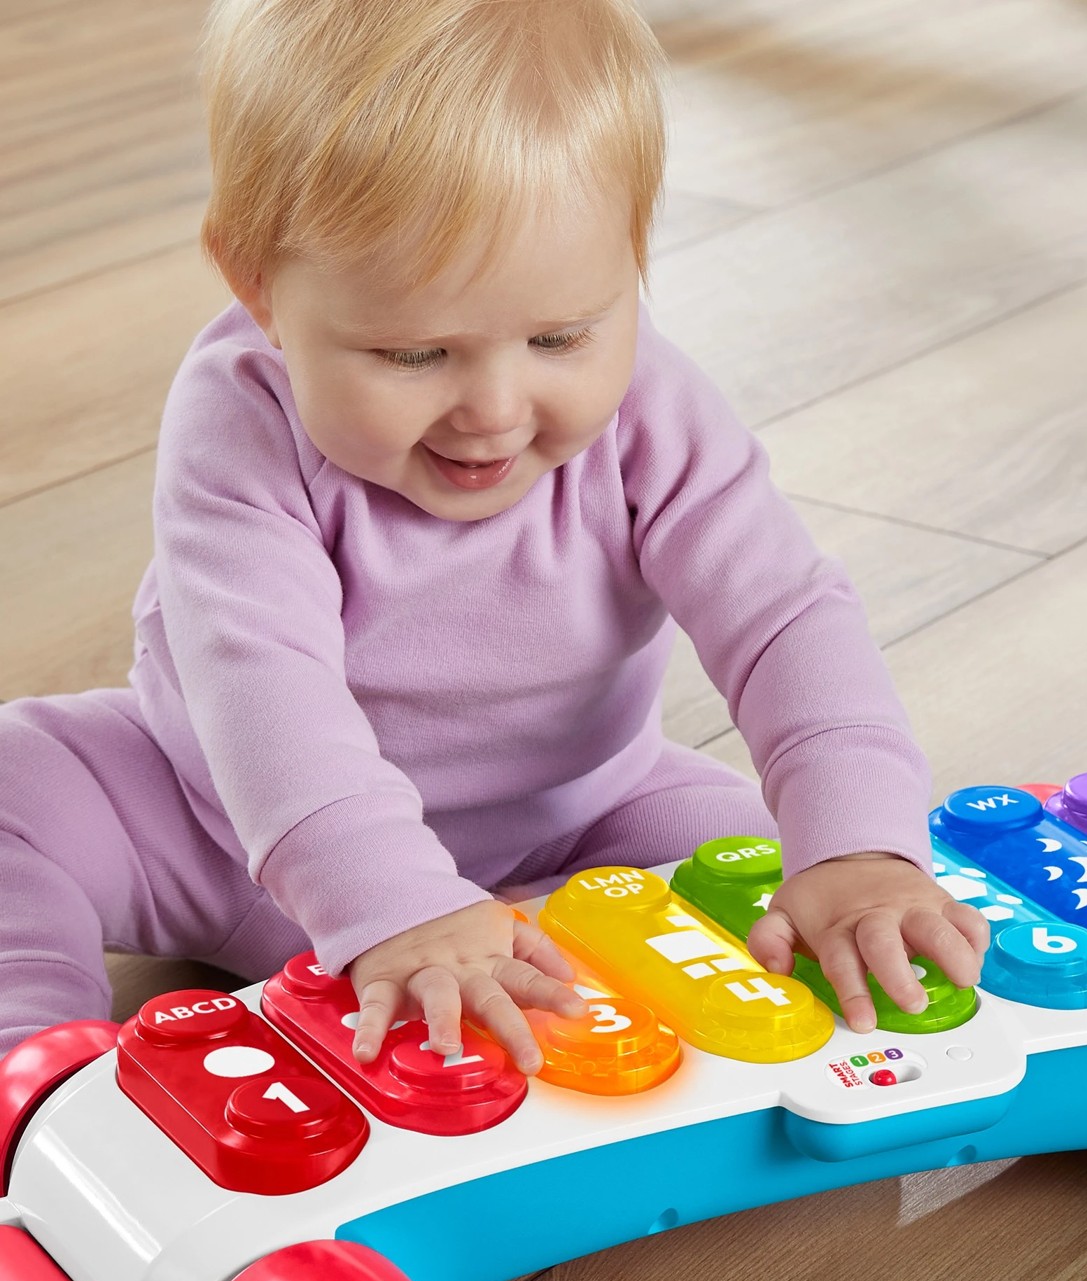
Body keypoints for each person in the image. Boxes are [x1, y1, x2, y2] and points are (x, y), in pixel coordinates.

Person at [0, 0, 988, 1072]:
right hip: (219, 835)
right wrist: (393, 897)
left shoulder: (655, 409)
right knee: (22, 781)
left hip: (573, 831)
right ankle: (41, 1070)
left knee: (757, 860)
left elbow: (783, 617)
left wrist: (855, 844)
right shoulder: (240, 418)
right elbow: (259, 682)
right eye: (414, 354)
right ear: (257, 285)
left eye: (561, 335)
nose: (495, 408)